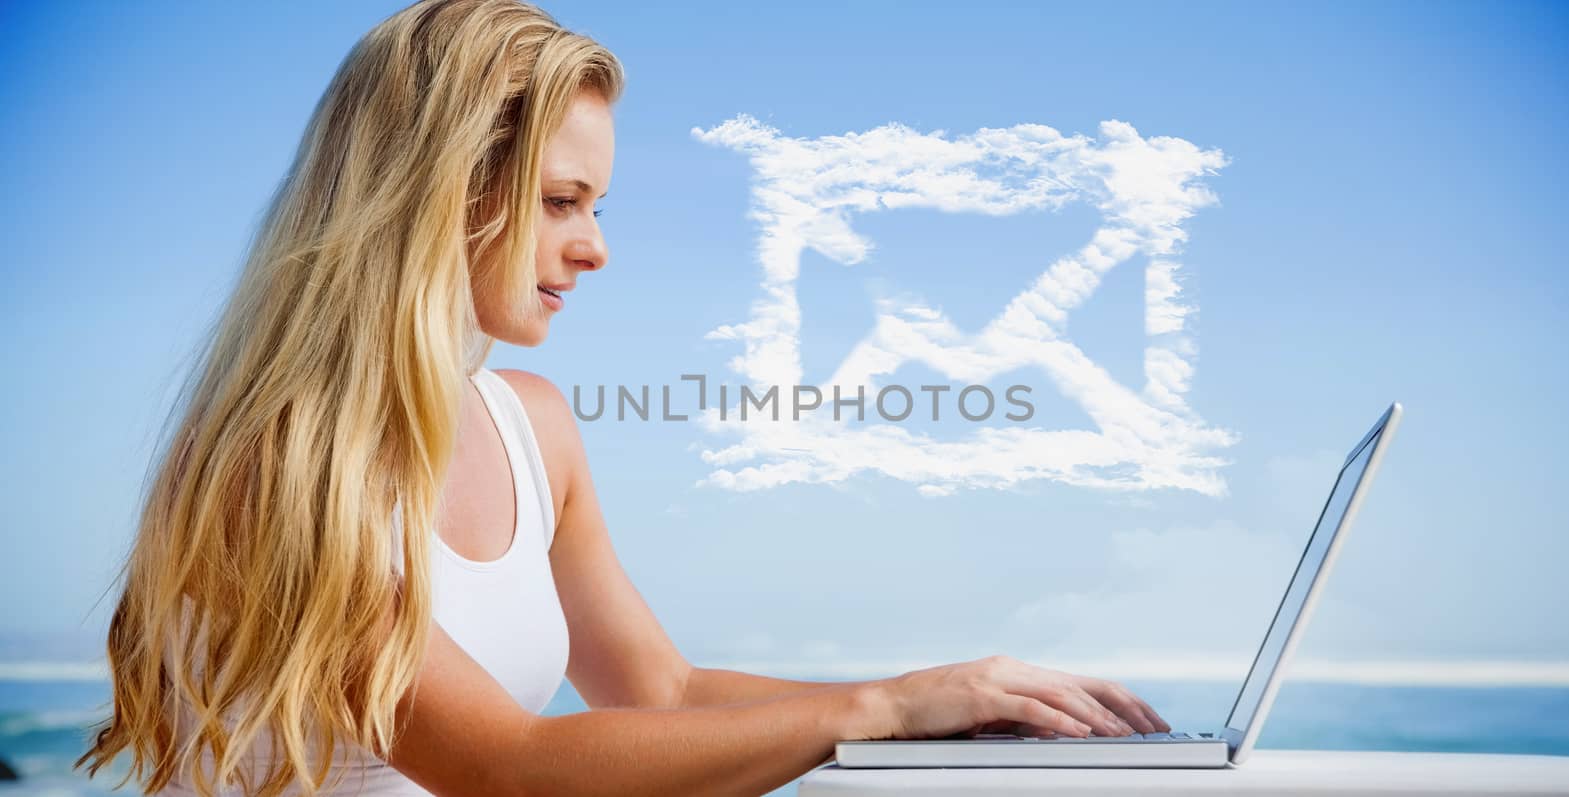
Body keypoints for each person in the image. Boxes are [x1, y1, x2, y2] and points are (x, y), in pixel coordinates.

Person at [76, 1, 1170, 794]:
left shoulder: (532, 425)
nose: (594, 248)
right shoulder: (275, 462)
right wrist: (879, 709)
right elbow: (505, 768)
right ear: (431, 196)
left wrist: (948, 699)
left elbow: (664, 690)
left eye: (595, 204)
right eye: (562, 201)